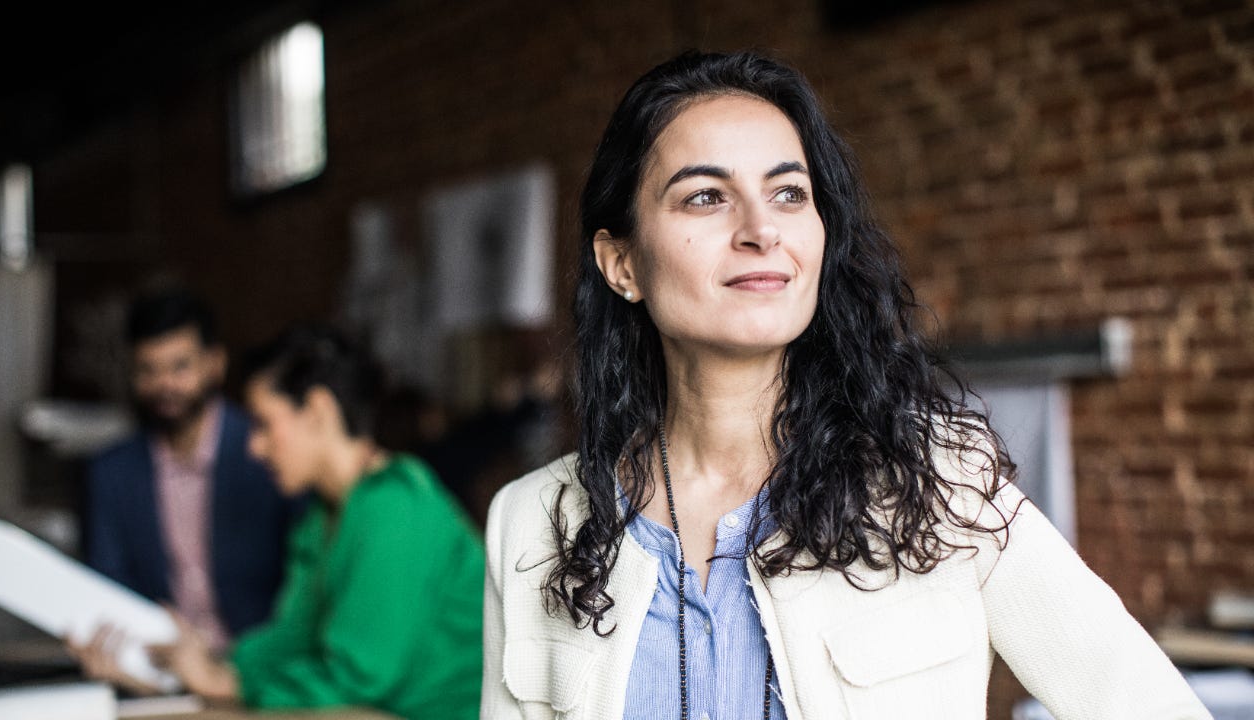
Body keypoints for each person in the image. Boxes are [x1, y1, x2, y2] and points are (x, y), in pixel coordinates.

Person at [481, 51, 1211, 719]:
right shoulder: (531, 522)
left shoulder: (942, 482)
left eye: (789, 193)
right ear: (622, 265)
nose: (761, 229)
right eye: (705, 197)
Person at [144, 326, 484, 719]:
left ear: (318, 411)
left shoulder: (394, 505)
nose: (254, 447)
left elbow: (358, 678)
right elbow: (295, 638)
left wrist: (225, 682)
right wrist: (212, 661)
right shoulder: (319, 518)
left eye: (263, 423)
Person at [84, 288, 297, 652]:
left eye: (180, 367)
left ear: (214, 363)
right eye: (148, 370)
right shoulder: (111, 474)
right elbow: (108, 588)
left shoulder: (268, 453)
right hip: (157, 670)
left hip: (261, 668)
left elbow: (301, 583)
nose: (164, 385)